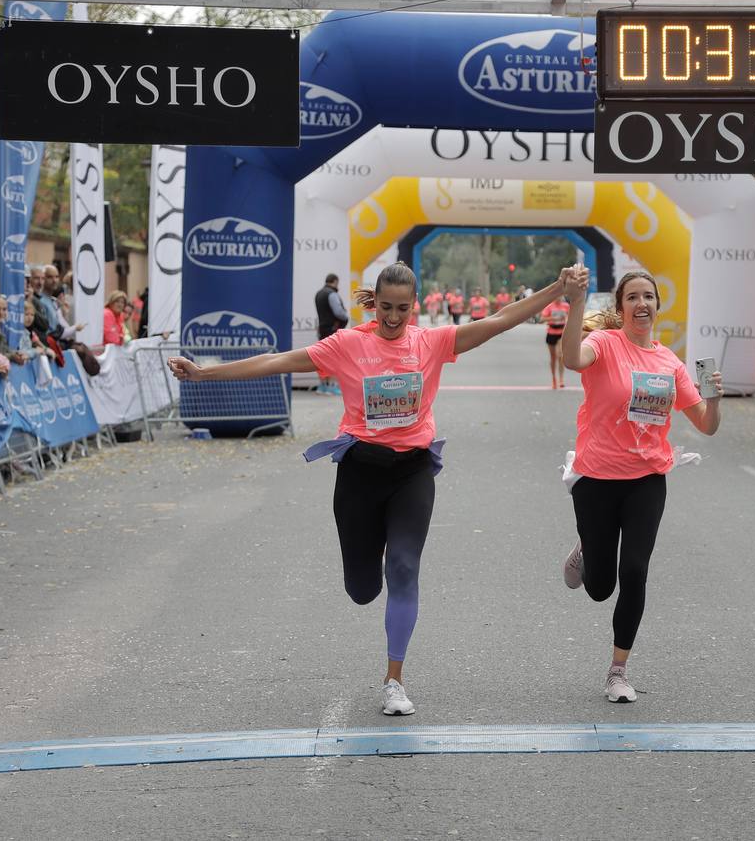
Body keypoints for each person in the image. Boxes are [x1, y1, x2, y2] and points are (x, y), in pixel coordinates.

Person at [167, 262, 588, 717]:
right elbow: (277, 361)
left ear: (415, 306)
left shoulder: (432, 342)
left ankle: (395, 680)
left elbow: (501, 319)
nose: (393, 317)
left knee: (404, 569)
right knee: (363, 589)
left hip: (412, 472)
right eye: (385, 307)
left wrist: (557, 289)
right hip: (359, 474)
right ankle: (367, 575)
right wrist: (204, 374)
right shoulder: (349, 344)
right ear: (375, 302)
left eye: (403, 309)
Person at [558, 270, 723, 704]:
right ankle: (586, 549)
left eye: (649, 295)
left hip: (647, 479)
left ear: (657, 305)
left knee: (634, 570)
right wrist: (576, 305)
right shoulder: (605, 345)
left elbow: (706, 425)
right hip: (595, 478)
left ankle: (618, 670)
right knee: (598, 588)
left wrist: (715, 398)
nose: (642, 303)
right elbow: (572, 359)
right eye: (633, 297)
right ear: (621, 307)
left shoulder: (669, 363)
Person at [315, 273, 350, 396]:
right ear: (335, 281)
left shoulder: (318, 294)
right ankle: (332, 386)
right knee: (335, 358)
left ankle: (322, 386)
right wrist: (346, 316)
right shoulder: (332, 294)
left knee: (321, 359)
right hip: (333, 330)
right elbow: (339, 312)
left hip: (322, 331)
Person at [542, 293, 570, 389]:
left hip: (561, 332)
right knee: (553, 357)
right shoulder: (549, 307)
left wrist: (566, 320)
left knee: (560, 355)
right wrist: (553, 318)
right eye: (557, 296)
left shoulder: (566, 306)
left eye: (560, 296)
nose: (559, 298)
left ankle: (561, 379)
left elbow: (571, 316)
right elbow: (542, 319)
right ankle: (554, 378)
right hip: (551, 332)